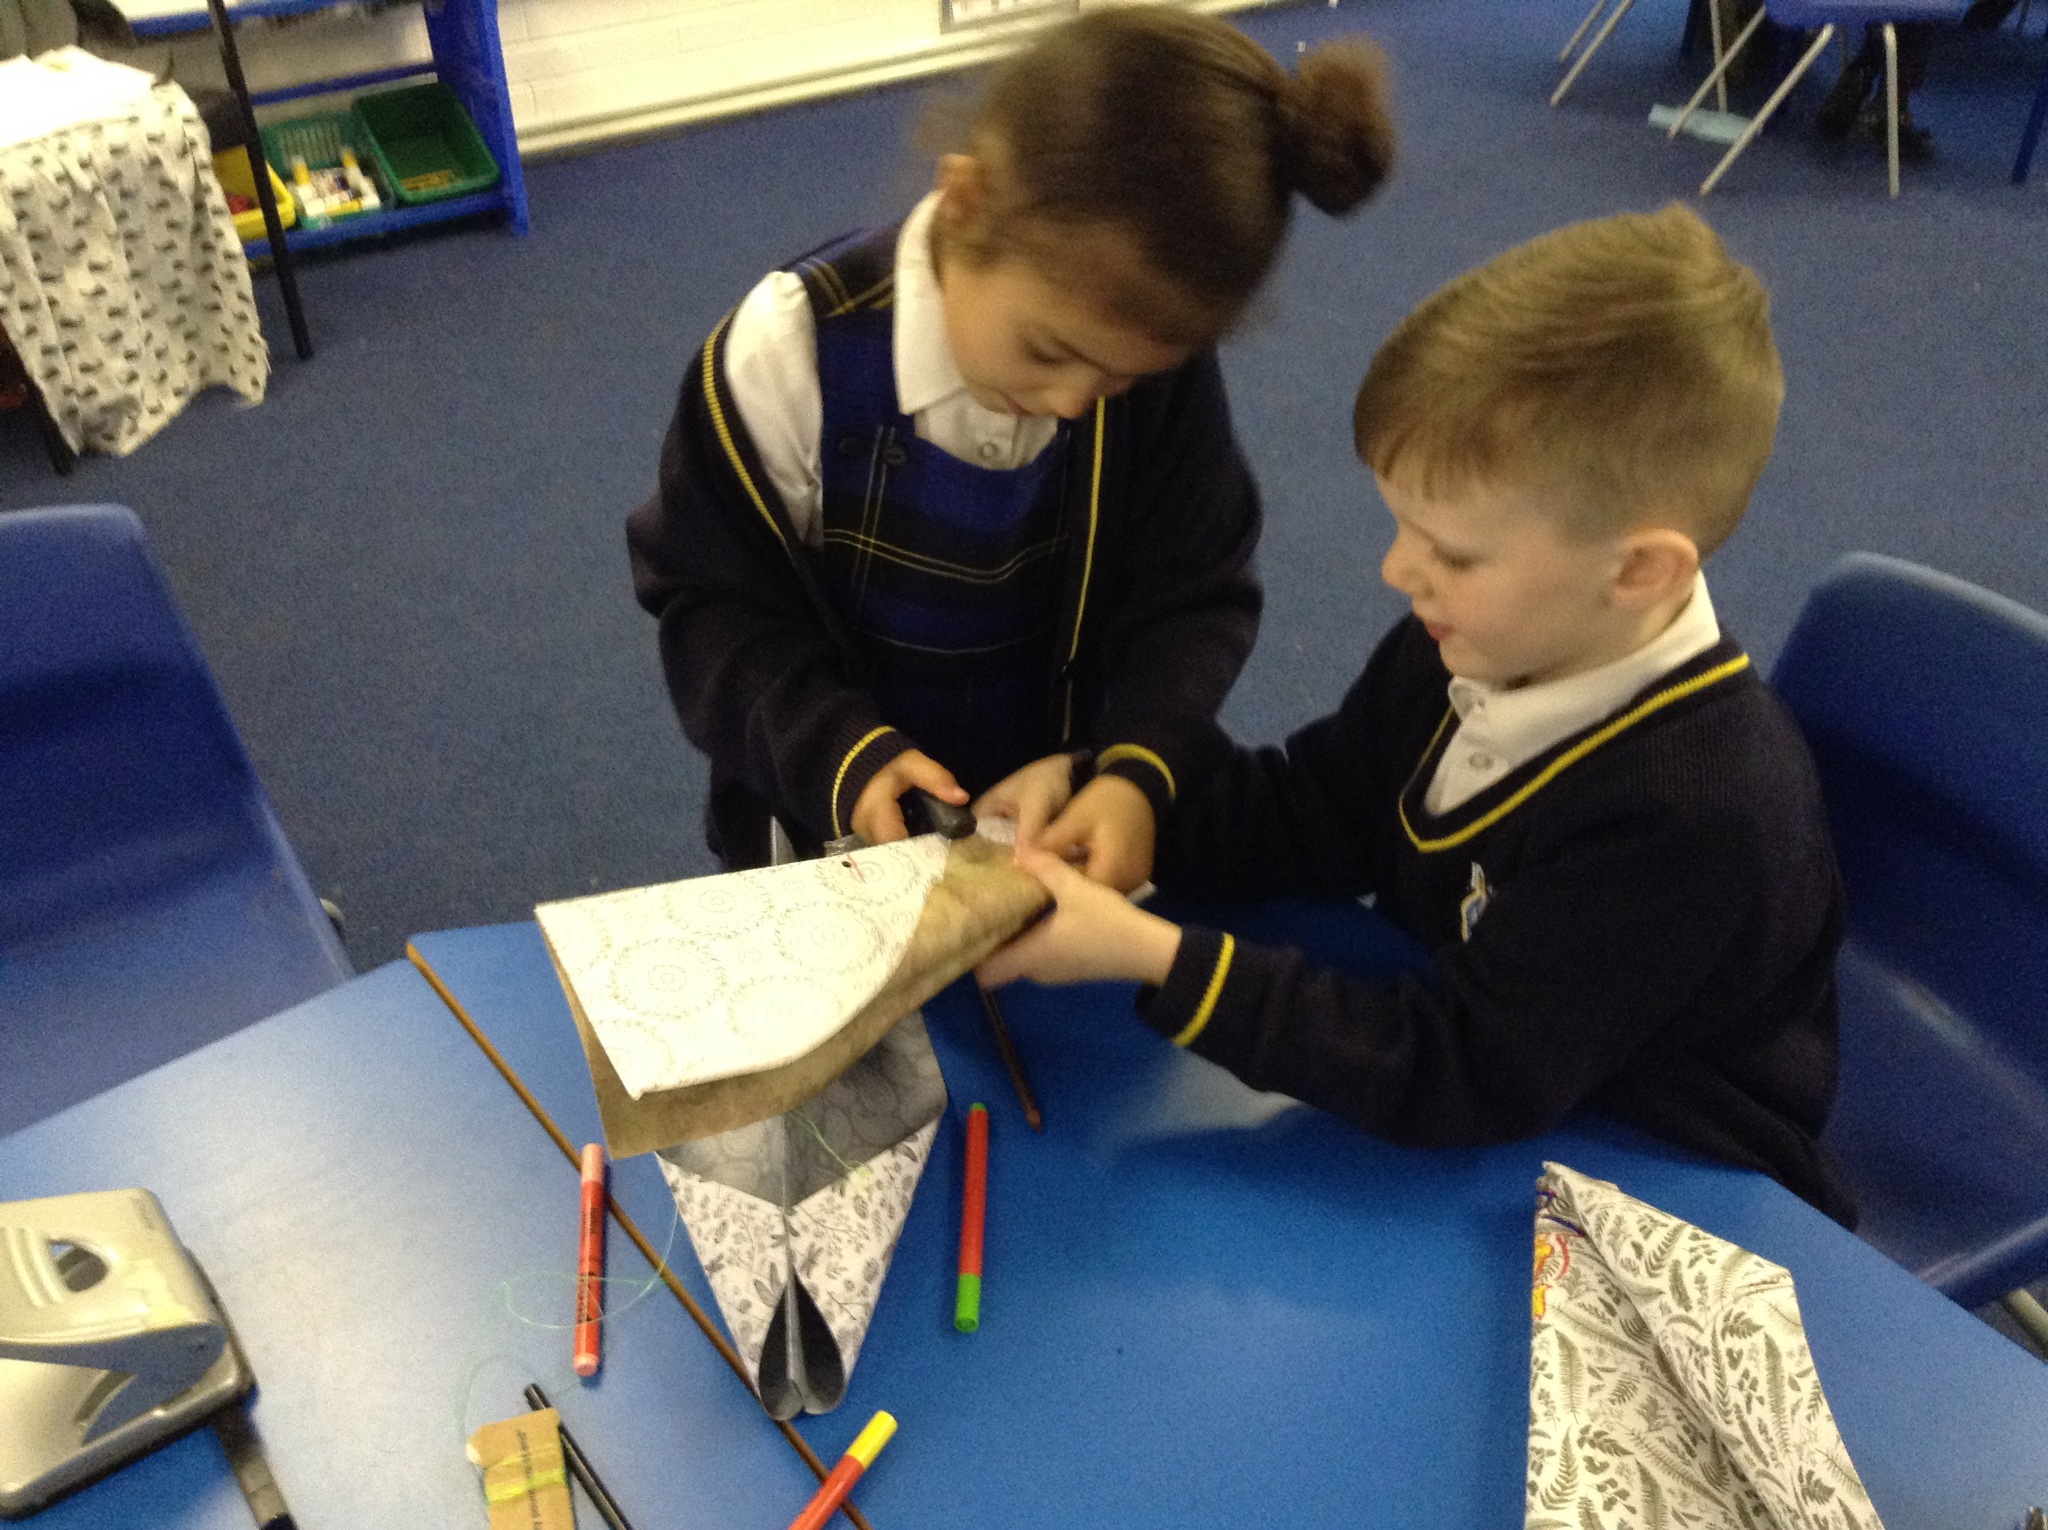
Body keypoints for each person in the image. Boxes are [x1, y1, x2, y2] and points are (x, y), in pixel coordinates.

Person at [980, 204, 1856, 1224]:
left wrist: (1151, 957)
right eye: (1403, 528)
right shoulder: (1475, 641)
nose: (1398, 570)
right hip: (1484, 1082)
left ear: (1637, 571)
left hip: (1657, 1173)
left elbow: (1464, 1071)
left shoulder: (1695, 815)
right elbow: (1315, 811)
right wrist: (1125, 790)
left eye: (1452, 552)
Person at [628, 10, 1395, 884]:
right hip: (826, 817)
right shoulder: (786, 358)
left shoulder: (1147, 361)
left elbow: (1193, 594)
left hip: (1049, 820)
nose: (1072, 402)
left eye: (1119, 379)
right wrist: (839, 754)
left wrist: (1134, 770)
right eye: (1047, 351)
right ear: (967, 204)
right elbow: (715, 608)